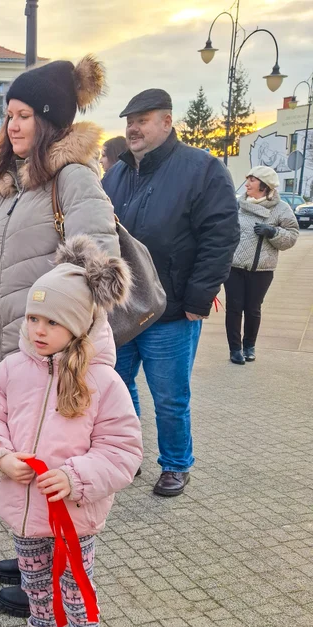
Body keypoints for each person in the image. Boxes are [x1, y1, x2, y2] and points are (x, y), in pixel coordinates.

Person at [0, 57, 119, 618]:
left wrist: (58, 326)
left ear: (51, 119)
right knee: (22, 457)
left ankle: (50, 584)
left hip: (59, 354)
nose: (14, 126)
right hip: (18, 349)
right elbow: (1, 258)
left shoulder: (72, 178)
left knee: (55, 463)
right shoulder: (11, 183)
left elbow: (98, 262)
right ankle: (30, 551)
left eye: (25, 115)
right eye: (9, 116)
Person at [0, 238, 142, 627]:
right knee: (35, 587)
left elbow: (123, 452)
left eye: (53, 322)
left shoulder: (103, 383)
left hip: (74, 519)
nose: (39, 330)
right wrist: (0, 458)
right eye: (33, 318)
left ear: (81, 325)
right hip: (25, 515)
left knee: (77, 597)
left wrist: (74, 476)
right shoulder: (10, 370)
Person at [102, 89, 239, 497]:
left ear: (167, 121)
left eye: (142, 119)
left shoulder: (202, 169)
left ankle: (176, 464)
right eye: (129, 120)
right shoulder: (117, 174)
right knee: (115, 387)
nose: (133, 128)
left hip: (173, 311)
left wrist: (198, 299)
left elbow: (222, 236)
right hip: (120, 308)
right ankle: (130, 456)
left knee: (169, 397)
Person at [225, 166, 299, 365]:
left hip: (262, 270)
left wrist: (273, 232)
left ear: (265, 186)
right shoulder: (237, 205)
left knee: (253, 309)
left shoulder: (281, 208)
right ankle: (235, 349)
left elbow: (292, 236)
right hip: (234, 267)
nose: (247, 184)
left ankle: (249, 346)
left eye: (252, 180)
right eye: (247, 179)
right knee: (234, 308)